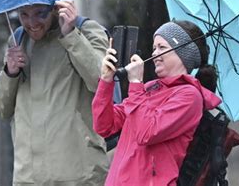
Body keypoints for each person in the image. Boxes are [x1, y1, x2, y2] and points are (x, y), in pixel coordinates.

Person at [0, 0, 109, 185]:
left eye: (40, 13)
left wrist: (71, 35)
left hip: (78, 175)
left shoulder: (87, 31)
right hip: (28, 177)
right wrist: (10, 72)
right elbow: (1, 109)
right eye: (24, 14)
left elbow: (101, 82)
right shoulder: (18, 40)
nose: (32, 23)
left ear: (56, 8)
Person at [92, 20, 222, 185]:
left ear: (183, 53)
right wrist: (106, 81)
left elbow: (146, 133)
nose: (154, 54)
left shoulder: (190, 96)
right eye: (154, 48)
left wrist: (136, 83)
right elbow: (104, 126)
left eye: (162, 48)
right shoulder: (149, 88)